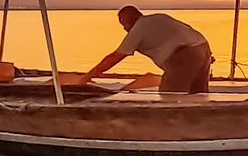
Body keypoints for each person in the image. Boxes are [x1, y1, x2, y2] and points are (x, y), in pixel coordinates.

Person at [84, 6, 212, 94]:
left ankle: (168, 127)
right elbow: (187, 30)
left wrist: (87, 77)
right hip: (203, 47)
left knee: (171, 96)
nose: (124, 29)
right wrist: (204, 55)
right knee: (198, 94)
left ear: (130, 20)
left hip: (183, 55)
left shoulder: (139, 28)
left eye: (123, 24)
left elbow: (115, 57)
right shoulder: (159, 17)